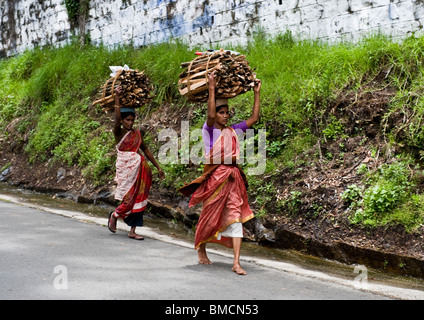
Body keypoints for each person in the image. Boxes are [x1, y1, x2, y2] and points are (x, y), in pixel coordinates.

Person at [179, 71, 261, 275]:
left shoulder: (233, 130)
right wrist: (212, 88)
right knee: (209, 216)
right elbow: (209, 114)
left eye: (227, 113)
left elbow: (254, 118)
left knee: (235, 216)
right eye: (221, 112)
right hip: (215, 180)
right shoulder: (209, 130)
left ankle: (236, 262)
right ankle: (202, 249)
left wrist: (257, 93)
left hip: (233, 181)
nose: (225, 116)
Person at [108, 86, 165, 240]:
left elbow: (146, 150)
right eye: (128, 120)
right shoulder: (118, 132)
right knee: (128, 199)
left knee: (140, 198)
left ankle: (132, 231)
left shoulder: (137, 134)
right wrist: (117, 97)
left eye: (132, 120)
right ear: (123, 121)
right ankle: (115, 215)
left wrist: (158, 167)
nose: (130, 122)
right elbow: (117, 118)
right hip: (127, 171)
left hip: (141, 171)